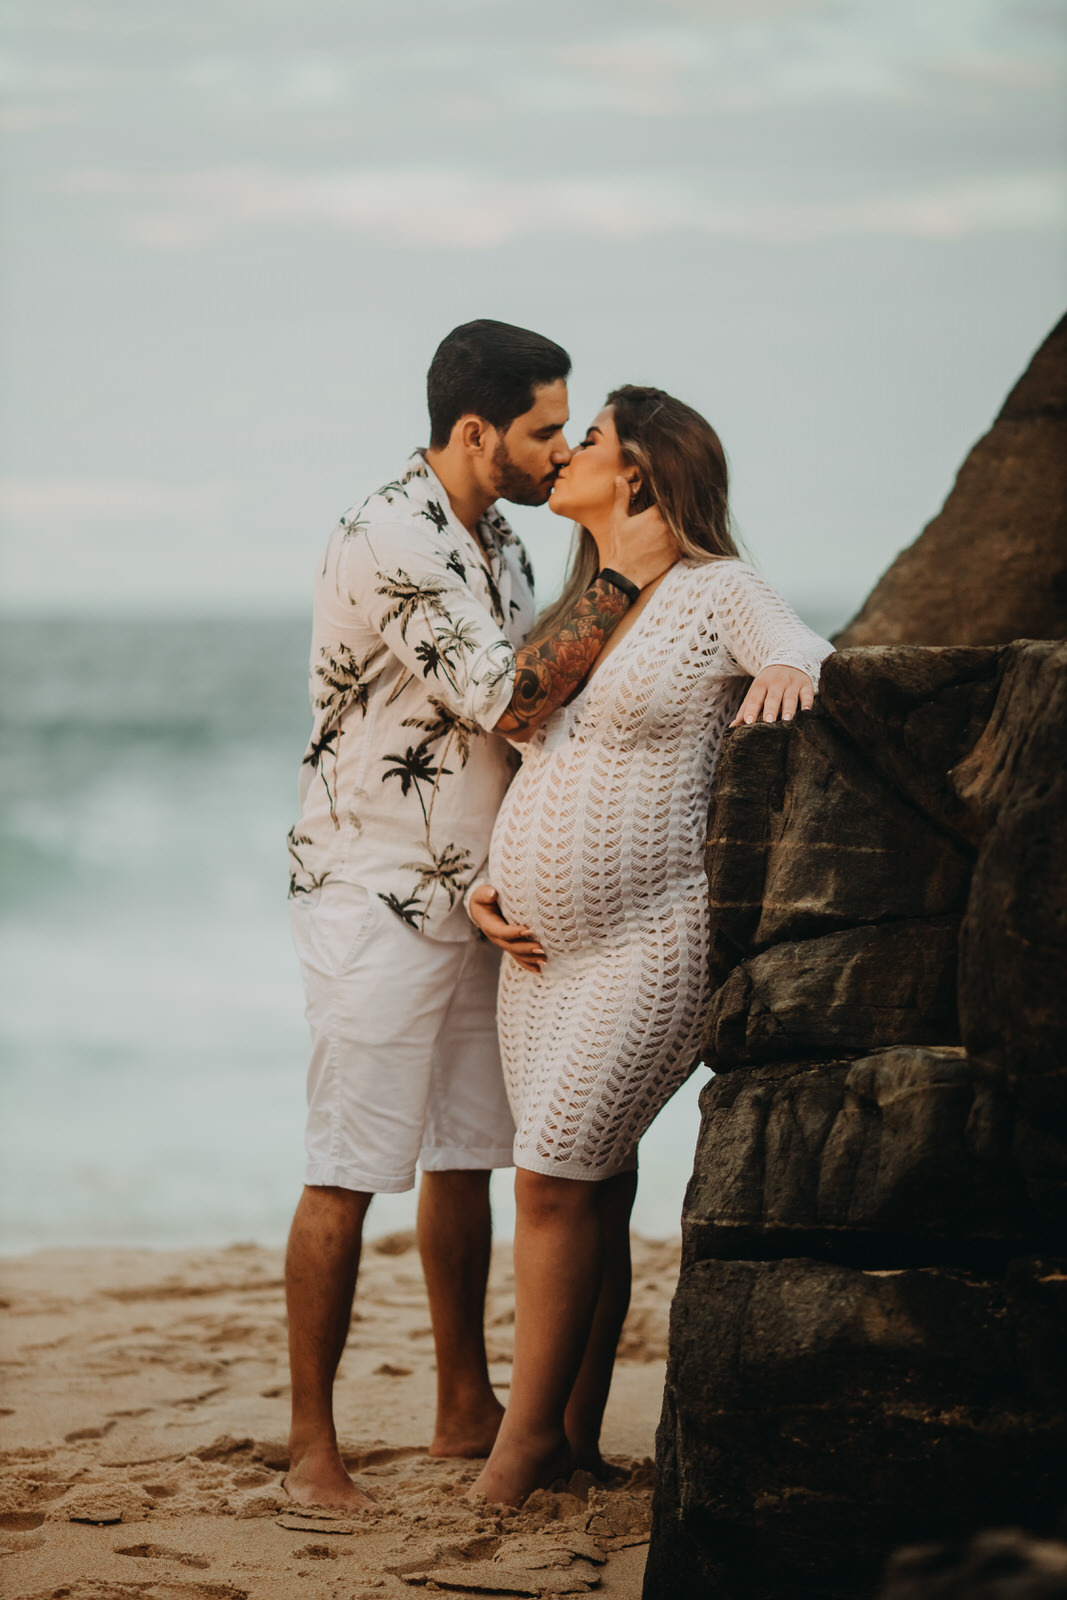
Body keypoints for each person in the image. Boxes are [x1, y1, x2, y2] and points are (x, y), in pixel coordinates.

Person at [284, 326, 679, 1512]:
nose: (558, 449)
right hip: (372, 887)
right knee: (346, 1168)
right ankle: (311, 1450)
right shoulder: (392, 535)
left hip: (475, 892)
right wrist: (622, 575)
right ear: (474, 432)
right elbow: (509, 696)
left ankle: (466, 1407)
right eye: (543, 429)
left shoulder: (500, 535)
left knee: (468, 1150)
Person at [467, 384, 835, 1506]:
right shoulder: (586, 600)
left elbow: (809, 652)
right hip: (535, 954)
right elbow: (534, 748)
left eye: (587, 439)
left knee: (549, 1178)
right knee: (587, 1185)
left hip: (649, 940)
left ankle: (521, 1447)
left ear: (635, 471)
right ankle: (573, 1437)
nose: (566, 453)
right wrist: (488, 877)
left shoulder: (718, 589)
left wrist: (785, 670)